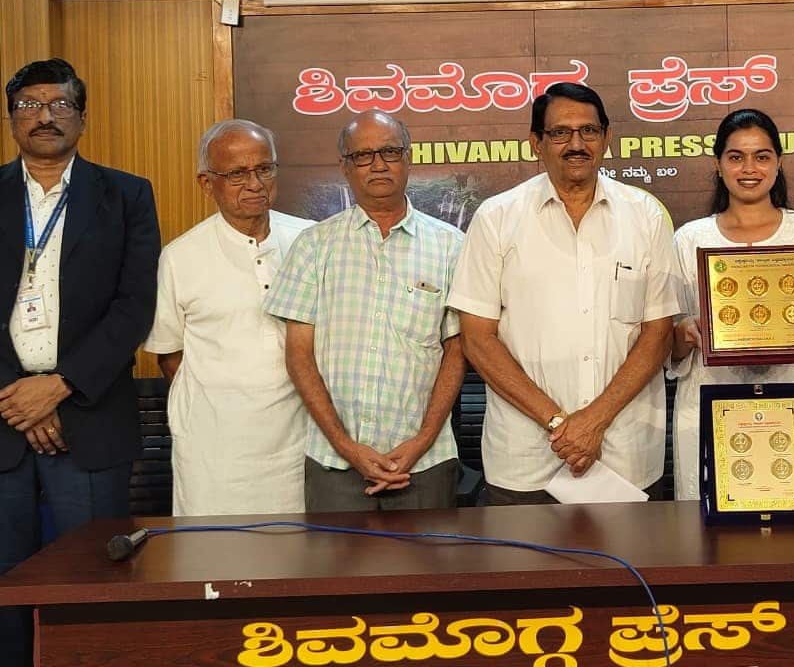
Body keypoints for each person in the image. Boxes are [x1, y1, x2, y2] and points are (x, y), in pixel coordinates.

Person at [447, 82, 679, 504]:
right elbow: (477, 338)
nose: (576, 144)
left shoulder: (645, 216)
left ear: (606, 138)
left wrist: (594, 421)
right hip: (525, 459)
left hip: (625, 456)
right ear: (536, 142)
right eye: (560, 133)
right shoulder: (496, 218)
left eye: (588, 131)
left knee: (634, 553)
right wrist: (559, 424)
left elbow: (659, 332)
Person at [0, 58, 159, 663]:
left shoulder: (126, 194)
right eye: (29, 105)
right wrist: (18, 397)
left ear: (83, 118)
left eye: (60, 104)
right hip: (3, 418)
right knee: (5, 586)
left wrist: (59, 386)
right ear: (12, 119)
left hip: (89, 419)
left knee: (93, 579)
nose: (45, 116)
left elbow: (134, 305)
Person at [265, 109, 464, 512]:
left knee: (430, 558)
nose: (378, 165)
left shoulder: (451, 246)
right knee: (334, 558)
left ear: (408, 157)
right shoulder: (314, 246)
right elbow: (299, 356)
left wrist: (422, 441)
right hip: (334, 464)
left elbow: (458, 351)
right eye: (362, 155)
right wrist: (346, 446)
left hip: (426, 463)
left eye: (389, 152)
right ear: (345, 166)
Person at [670, 108, 794, 500]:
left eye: (762, 156)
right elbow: (671, 345)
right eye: (736, 157)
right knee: (711, 528)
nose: (749, 168)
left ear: (778, 163)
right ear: (718, 164)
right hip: (711, 407)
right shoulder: (689, 240)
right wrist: (686, 332)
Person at [145, 119, 313, 516]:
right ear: (207, 183)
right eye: (237, 174)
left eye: (264, 169)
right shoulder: (180, 257)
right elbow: (170, 354)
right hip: (214, 453)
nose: (254, 184)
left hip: (300, 443)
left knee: (298, 551)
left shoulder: (310, 241)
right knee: (213, 548)